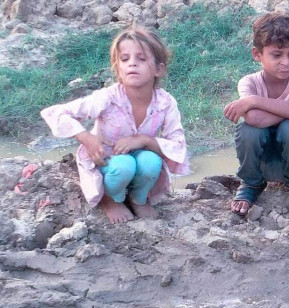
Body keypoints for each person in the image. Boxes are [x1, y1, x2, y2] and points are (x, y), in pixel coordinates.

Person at [41, 27, 189, 224]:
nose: (132, 63)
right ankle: (110, 199)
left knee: (151, 162)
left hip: (140, 160)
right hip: (107, 161)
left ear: (158, 69)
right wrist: (87, 139)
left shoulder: (165, 102)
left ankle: (138, 198)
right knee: (124, 165)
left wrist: (144, 140)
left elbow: (178, 144)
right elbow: (56, 113)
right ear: (118, 68)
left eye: (141, 58)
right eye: (125, 59)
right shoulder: (108, 97)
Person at [224, 12, 289, 215]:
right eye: (277, 55)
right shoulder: (250, 82)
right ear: (257, 54)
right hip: (262, 162)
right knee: (248, 130)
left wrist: (254, 101)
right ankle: (251, 184)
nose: (286, 62)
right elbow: (254, 119)